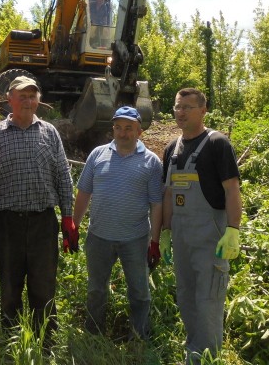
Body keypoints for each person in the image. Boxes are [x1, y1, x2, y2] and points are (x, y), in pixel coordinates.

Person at [0, 75, 76, 344]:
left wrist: (68, 217)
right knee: (10, 288)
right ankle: (12, 342)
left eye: (33, 96)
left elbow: (63, 175)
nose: (28, 101)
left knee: (43, 287)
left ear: (39, 99)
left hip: (43, 222)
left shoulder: (49, 132)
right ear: (10, 99)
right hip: (7, 223)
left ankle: (45, 343)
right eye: (23, 96)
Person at [160, 88, 243, 364]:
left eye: (187, 107)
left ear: (203, 110)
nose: (180, 113)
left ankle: (206, 357)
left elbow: (232, 189)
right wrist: (166, 230)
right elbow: (169, 194)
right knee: (185, 295)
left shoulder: (217, 143)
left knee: (208, 299)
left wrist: (233, 230)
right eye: (177, 107)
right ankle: (193, 347)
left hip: (211, 238)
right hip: (182, 237)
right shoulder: (171, 149)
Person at [73, 106, 163, 340]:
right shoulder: (97, 155)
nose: (123, 133)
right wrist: (73, 226)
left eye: (129, 128)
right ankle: (94, 334)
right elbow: (84, 193)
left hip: (135, 239)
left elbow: (156, 204)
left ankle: (139, 336)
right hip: (99, 236)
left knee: (139, 292)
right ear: (112, 129)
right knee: (96, 289)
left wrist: (155, 240)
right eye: (118, 127)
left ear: (139, 131)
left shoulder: (152, 162)